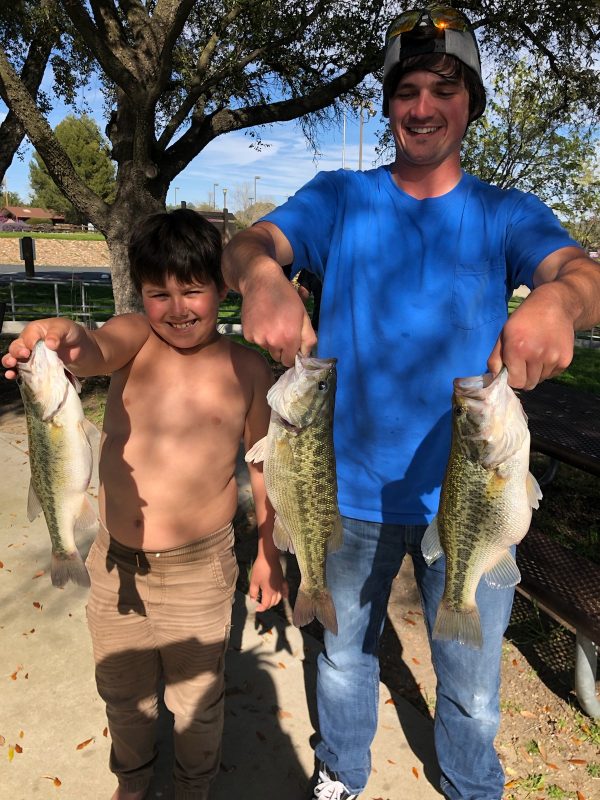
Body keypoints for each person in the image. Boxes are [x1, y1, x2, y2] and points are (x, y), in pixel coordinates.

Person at [220, 6, 600, 800]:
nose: (422, 106)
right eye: (407, 90)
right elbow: (249, 247)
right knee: (344, 652)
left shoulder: (507, 213)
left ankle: (472, 786)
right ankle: (341, 773)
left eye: (443, 89)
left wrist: (561, 301)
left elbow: (582, 272)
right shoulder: (339, 199)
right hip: (344, 495)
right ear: (388, 103)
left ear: (472, 105)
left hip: (473, 496)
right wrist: (260, 278)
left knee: (472, 679)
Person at [2, 208, 287, 800]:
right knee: (123, 694)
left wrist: (268, 551)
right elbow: (92, 346)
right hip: (113, 565)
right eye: (159, 293)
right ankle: (132, 781)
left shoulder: (246, 368)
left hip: (201, 572)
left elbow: (262, 466)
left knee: (197, 704)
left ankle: (192, 785)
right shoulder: (135, 339)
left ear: (221, 288)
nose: (177, 308)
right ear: (141, 295)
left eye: (193, 290)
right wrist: (54, 334)